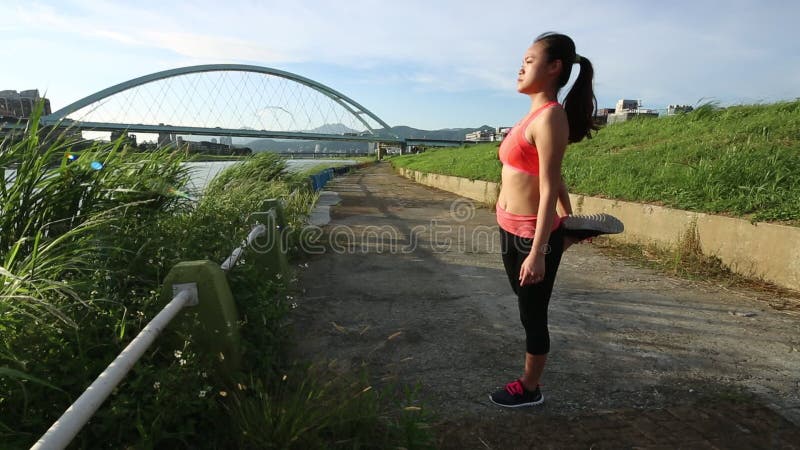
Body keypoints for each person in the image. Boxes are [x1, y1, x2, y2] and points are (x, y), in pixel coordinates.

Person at [490, 32, 607, 408]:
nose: (520, 67)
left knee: (532, 314)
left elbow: (546, 183)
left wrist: (539, 252)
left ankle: (530, 387)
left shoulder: (551, 117)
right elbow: (552, 177)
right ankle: (567, 234)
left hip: (529, 235)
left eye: (529, 60)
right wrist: (568, 215)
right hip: (510, 226)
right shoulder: (533, 115)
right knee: (523, 298)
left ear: (554, 67)